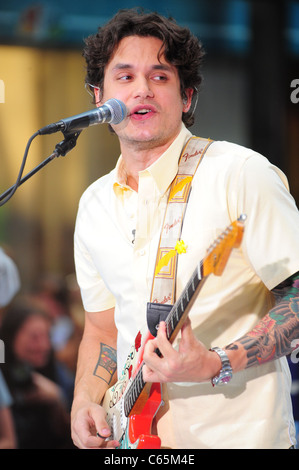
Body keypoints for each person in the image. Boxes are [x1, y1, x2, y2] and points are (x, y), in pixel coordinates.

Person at [71, 9, 299, 449]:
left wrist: (217, 363)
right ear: (99, 96)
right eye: (125, 76)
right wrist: (85, 400)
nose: (141, 89)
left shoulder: (241, 173)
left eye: (160, 77)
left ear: (187, 97)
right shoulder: (94, 204)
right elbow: (101, 329)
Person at [0, 297, 74, 448]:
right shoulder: (2, 373)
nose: (44, 345)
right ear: (11, 337)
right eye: (34, 337)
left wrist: (57, 398)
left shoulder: (57, 369)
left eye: (47, 336)